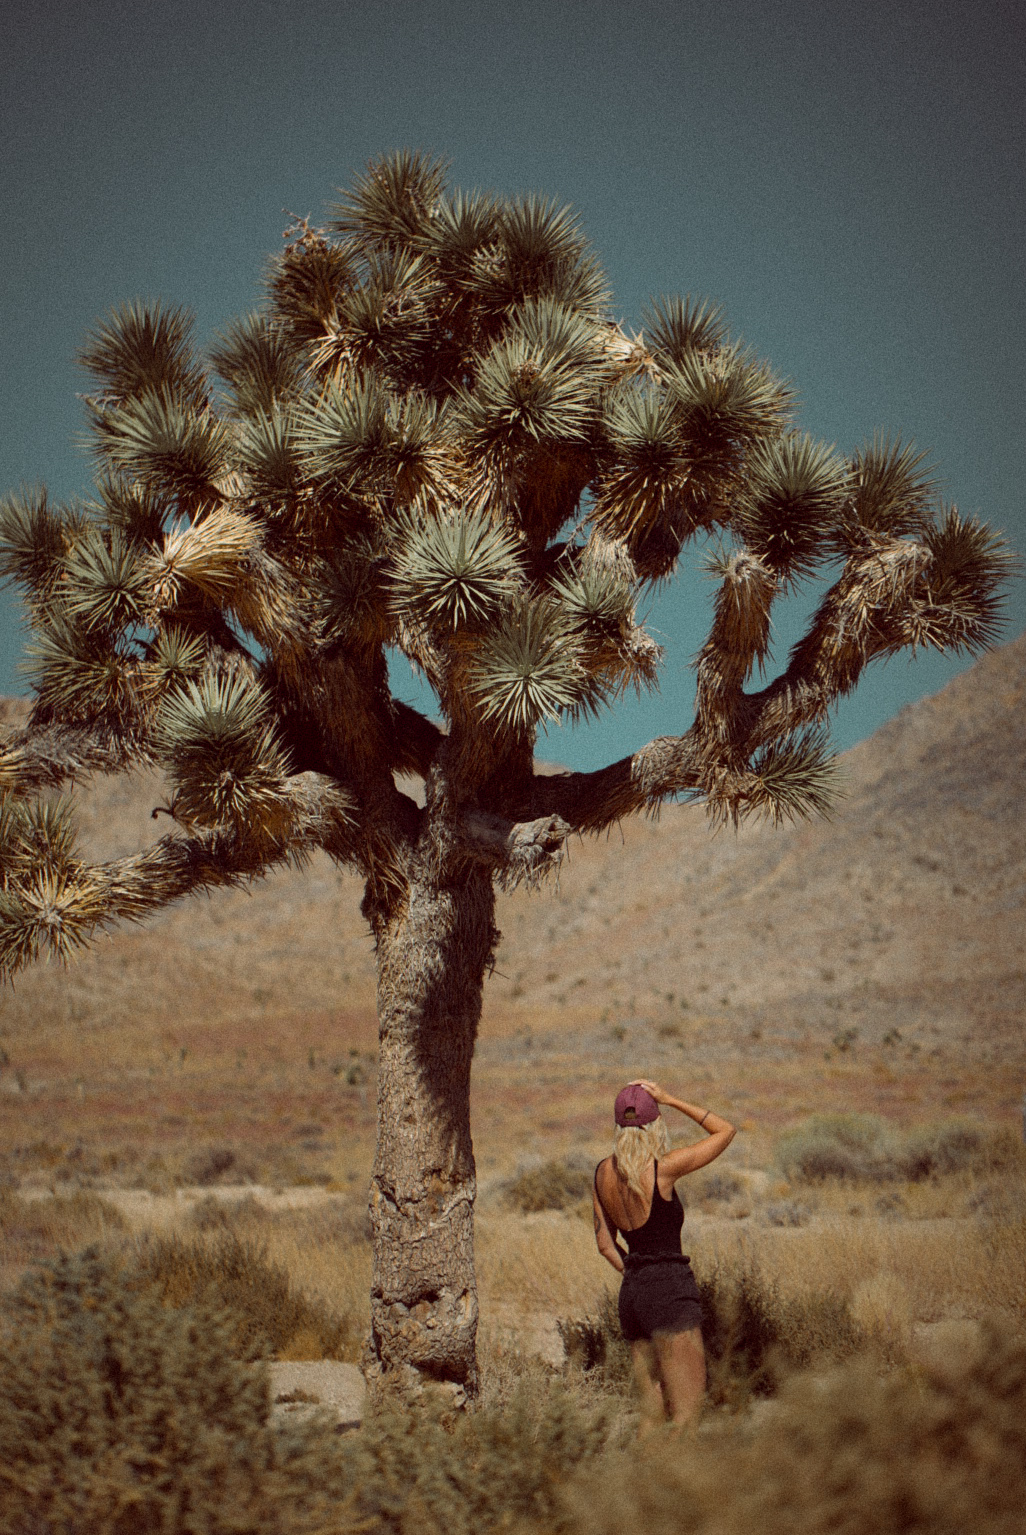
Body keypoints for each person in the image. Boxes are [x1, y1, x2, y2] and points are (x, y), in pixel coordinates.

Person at [593, 1078, 736, 1430]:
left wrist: (636, 1271)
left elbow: (604, 1245)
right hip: (670, 1291)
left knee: (651, 1419)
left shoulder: (601, 1173)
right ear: (655, 1123)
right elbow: (726, 1131)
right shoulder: (662, 1169)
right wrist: (671, 1099)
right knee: (687, 1416)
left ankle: (637, 1485)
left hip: (633, 1296)